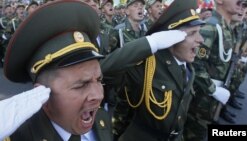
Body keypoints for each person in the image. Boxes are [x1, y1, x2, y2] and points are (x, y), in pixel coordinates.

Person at [3, 1, 112, 140]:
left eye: (99, 80)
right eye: (81, 85)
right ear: (43, 96)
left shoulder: (101, 118)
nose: (98, 96)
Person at [108, 0, 205, 140]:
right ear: (172, 38)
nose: (201, 39)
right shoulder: (147, 64)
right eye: (192, 33)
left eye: (199, 32)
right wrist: (150, 43)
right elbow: (105, 70)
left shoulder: (188, 67)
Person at [184, 0, 243, 140]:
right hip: (201, 97)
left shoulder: (227, 27)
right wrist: (213, 90)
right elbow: (194, 64)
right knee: (192, 135)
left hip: (213, 97)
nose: (241, 3)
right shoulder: (211, 26)